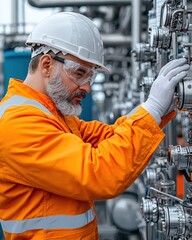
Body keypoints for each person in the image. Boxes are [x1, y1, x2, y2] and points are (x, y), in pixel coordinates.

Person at [0, 11, 189, 240]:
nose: (87, 88)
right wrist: (153, 107)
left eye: (90, 77)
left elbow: (111, 136)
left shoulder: (54, 115)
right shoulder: (19, 122)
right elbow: (99, 172)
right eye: (79, 73)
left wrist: (159, 110)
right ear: (47, 64)